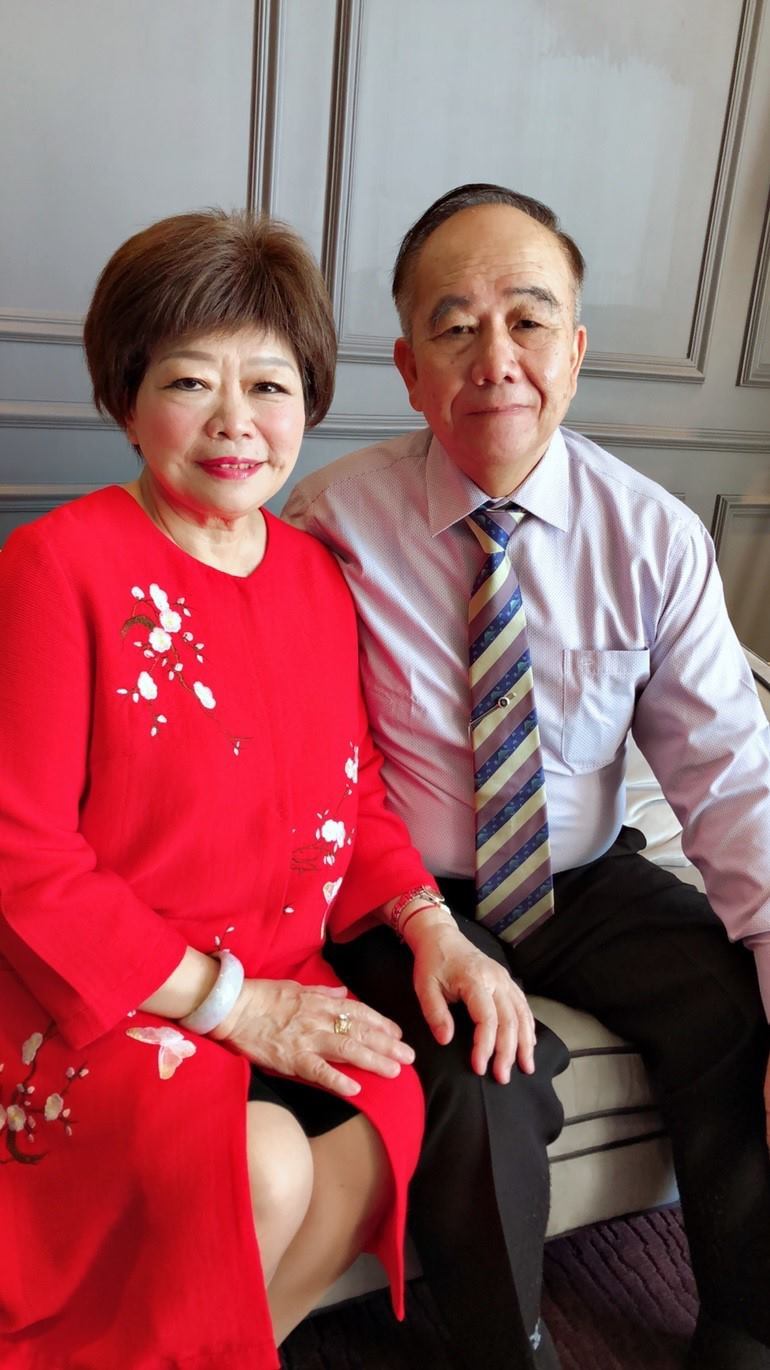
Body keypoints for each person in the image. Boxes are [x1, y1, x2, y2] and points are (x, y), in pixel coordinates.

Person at [0, 208, 538, 1370]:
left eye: (270, 385)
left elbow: (357, 801)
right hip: (105, 993)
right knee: (266, 1162)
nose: (235, 421)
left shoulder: (314, 577)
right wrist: (229, 1006)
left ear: (309, 401)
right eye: (190, 381)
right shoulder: (54, 567)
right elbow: (22, 856)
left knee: (395, 1112)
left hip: (287, 976)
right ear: (126, 398)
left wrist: (430, 925)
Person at [284, 183, 770, 1370]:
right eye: (454, 326)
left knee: (726, 997)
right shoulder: (333, 521)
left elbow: (726, 778)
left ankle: (745, 1326)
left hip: (583, 871)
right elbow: (303, 754)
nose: (493, 357)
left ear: (575, 349)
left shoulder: (652, 536)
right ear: (409, 369)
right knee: (479, 1068)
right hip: (413, 892)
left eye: (527, 318)